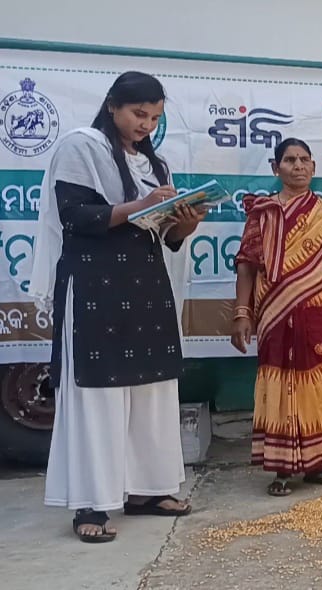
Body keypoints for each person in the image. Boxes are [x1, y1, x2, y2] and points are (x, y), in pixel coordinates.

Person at [30, 71, 205, 542]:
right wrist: (141, 203)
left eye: (154, 117)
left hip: (146, 291)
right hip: (94, 289)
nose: (146, 125)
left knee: (151, 394)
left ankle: (147, 491)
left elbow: (167, 240)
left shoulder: (157, 164)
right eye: (138, 114)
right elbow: (78, 217)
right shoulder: (80, 147)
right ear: (112, 105)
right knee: (97, 398)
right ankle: (92, 501)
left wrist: (185, 224)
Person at [232, 138, 322, 496]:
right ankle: (282, 468)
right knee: (279, 385)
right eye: (289, 160)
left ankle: (319, 465)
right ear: (276, 168)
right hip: (273, 313)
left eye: (304, 160)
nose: (297, 166)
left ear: (314, 168)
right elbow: (247, 265)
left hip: (319, 312)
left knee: (320, 387)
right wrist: (242, 313)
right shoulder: (262, 212)